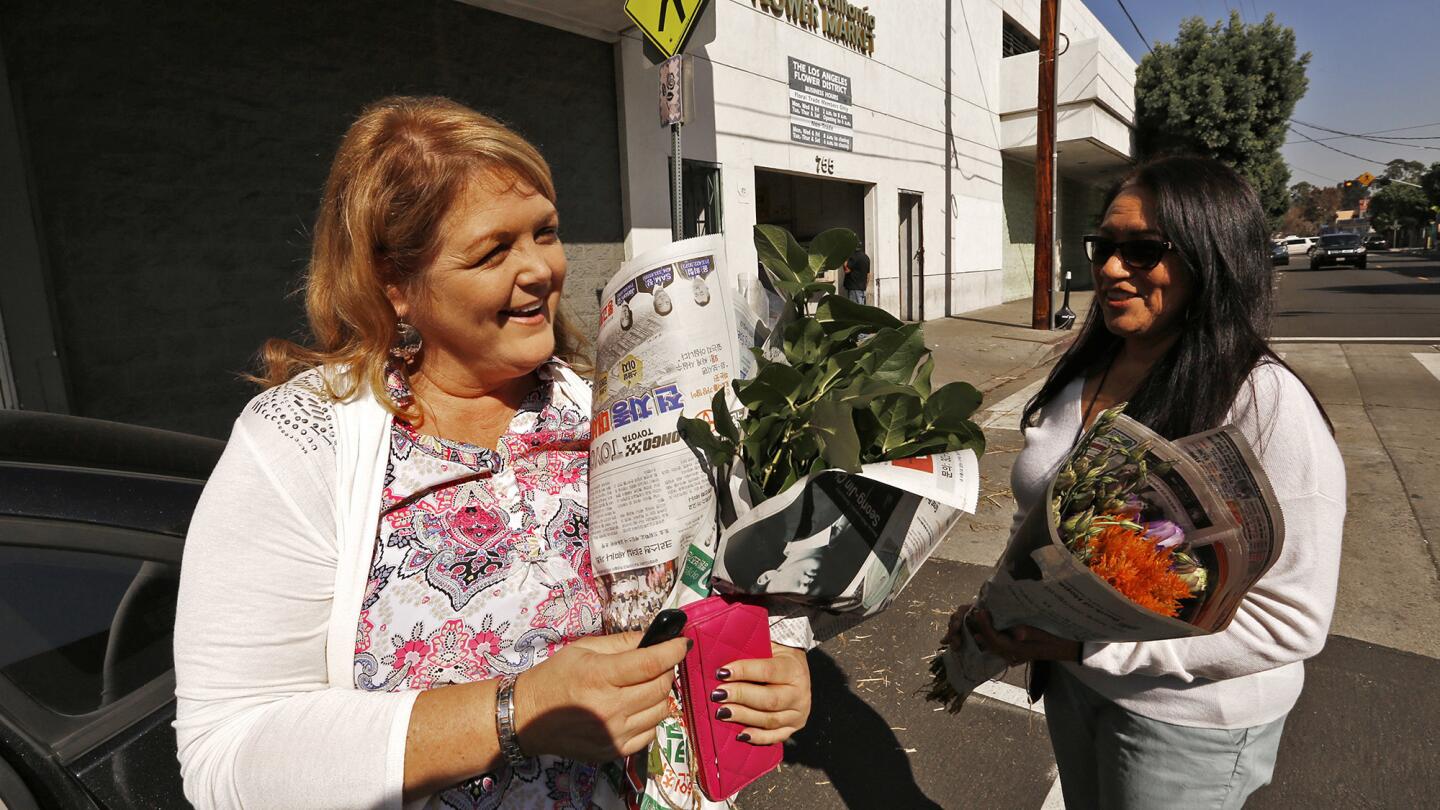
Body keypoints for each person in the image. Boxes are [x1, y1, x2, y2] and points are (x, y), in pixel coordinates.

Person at [173, 96, 811, 809]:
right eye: (493, 250)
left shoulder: (610, 410)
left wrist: (770, 671)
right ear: (396, 284)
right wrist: (517, 711)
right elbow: (225, 754)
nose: (540, 269)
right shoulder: (300, 441)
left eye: (545, 233)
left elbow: (719, 589)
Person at [945, 155, 1345, 809]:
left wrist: (1091, 646)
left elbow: (1292, 622)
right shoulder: (1084, 372)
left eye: (1143, 250)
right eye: (1104, 246)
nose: (1109, 268)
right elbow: (1037, 528)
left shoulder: (1265, 403)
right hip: (1075, 684)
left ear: (1211, 258)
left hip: (1187, 722)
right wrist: (1006, 612)